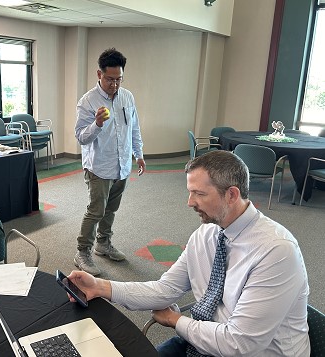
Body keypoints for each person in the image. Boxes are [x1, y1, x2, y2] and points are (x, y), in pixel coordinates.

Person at [67, 150, 310, 356]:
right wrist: (100, 286)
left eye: (199, 194)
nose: (189, 202)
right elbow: (165, 290)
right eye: (190, 192)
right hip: (203, 341)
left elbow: (240, 344)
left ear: (232, 195)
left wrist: (175, 321)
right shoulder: (207, 234)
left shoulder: (276, 252)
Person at [74, 47, 146, 276]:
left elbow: (134, 127)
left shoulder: (127, 96)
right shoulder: (88, 101)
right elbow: (81, 137)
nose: (114, 84)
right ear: (99, 74)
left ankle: (103, 244)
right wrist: (96, 123)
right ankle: (82, 252)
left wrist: (139, 153)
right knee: (96, 211)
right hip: (99, 166)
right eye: (110, 79)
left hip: (122, 164)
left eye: (119, 79)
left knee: (111, 209)